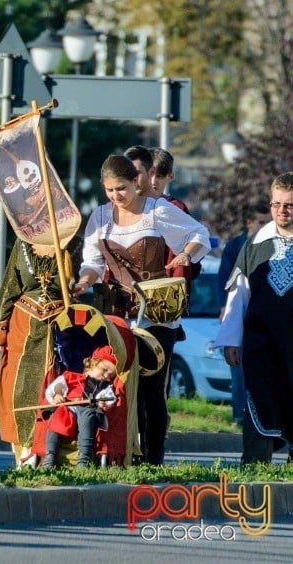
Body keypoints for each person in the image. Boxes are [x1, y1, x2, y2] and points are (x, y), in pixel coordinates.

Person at [72, 154, 210, 465]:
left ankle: (152, 456)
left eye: (121, 188)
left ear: (136, 182)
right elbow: (92, 263)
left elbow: (198, 235)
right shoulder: (100, 217)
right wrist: (83, 282)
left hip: (157, 312)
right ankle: (119, 452)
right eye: (109, 190)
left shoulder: (157, 211)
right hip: (117, 313)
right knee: (114, 380)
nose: (115, 196)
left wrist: (186, 255)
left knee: (151, 387)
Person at [216, 173, 293, 463]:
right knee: (259, 398)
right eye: (276, 204)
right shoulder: (257, 242)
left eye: (289, 205)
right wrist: (230, 340)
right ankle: (255, 463)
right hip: (261, 341)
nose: (281, 211)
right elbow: (239, 295)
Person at [0, 235, 81, 468]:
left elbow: (87, 277)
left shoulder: (74, 240)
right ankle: (23, 454)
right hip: (22, 328)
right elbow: (10, 285)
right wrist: (0, 326)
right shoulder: (23, 242)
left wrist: (78, 289)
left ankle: (48, 453)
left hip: (59, 328)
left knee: (53, 387)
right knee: (19, 387)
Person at [216, 202, 270, 425]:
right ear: (249, 222)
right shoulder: (236, 245)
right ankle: (240, 415)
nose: (267, 226)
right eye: (262, 222)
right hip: (239, 312)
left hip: (262, 317)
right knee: (238, 370)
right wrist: (224, 308)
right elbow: (224, 278)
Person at [41, 346, 118, 469]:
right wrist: (58, 394)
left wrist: (104, 402)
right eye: (104, 370)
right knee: (57, 418)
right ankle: (50, 455)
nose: (106, 376)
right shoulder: (71, 376)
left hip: (88, 408)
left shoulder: (104, 386)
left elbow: (108, 396)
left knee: (87, 418)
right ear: (91, 364)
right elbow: (58, 385)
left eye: (110, 376)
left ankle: (84, 456)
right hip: (69, 407)